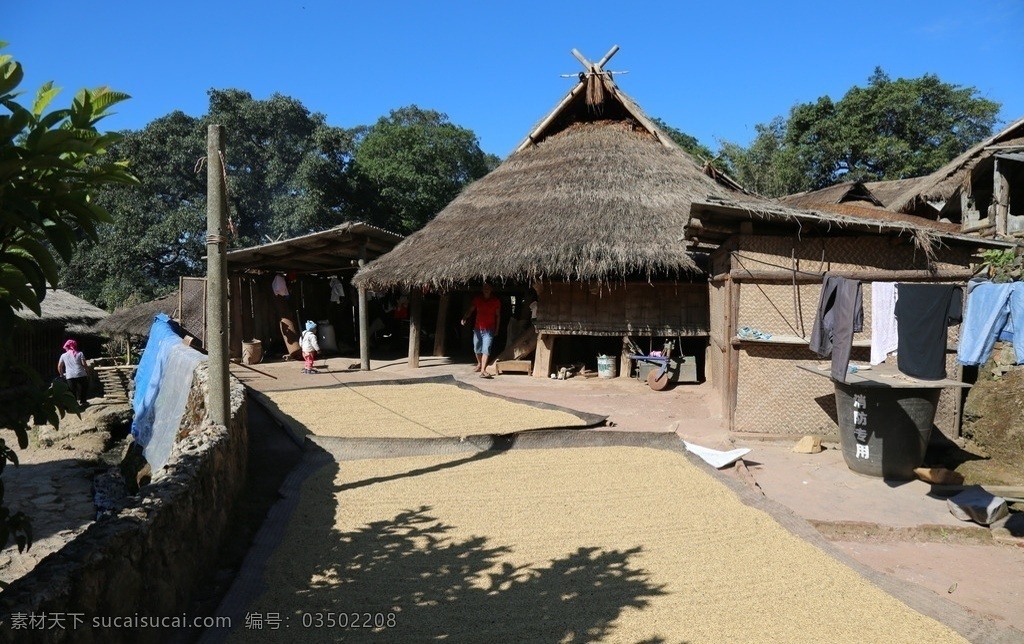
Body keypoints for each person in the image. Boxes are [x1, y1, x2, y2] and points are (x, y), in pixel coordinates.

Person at [461, 282, 501, 378]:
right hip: (478, 328)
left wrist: (497, 329)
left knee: (486, 349)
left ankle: (483, 370)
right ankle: (479, 364)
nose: (486, 289)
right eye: (484, 288)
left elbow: (498, 316)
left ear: (491, 289)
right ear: (482, 289)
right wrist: (464, 317)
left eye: (488, 288)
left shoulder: (495, 301)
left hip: (490, 329)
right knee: (476, 348)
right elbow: (471, 310)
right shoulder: (477, 299)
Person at [57, 338, 90, 407]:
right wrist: (87, 371)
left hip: (70, 375)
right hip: (81, 373)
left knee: (72, 390)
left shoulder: (63, 355)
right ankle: (83, 401)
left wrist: (61, 375)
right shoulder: (80, 353)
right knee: (84, 387)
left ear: (66, 346)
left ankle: (74, 405)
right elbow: (84, 364)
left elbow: (59, 366)